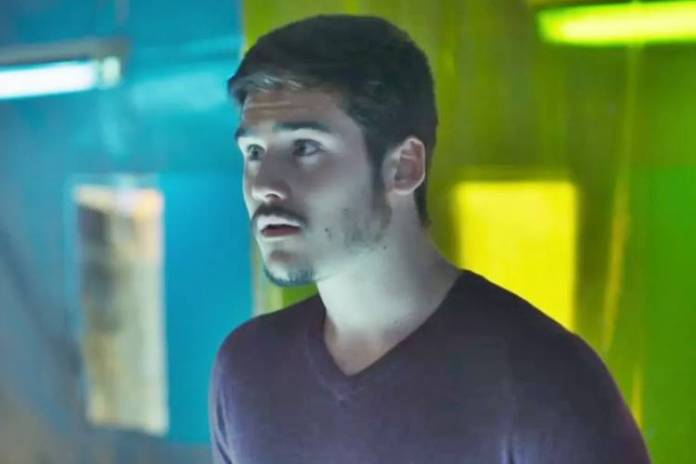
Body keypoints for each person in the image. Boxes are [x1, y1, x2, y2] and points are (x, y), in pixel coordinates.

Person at [209, 14, 650, 464]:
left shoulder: (546, 380)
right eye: (254, 152)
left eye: (305, 148)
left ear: (403, 167)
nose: (264, 183)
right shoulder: (247, 369)